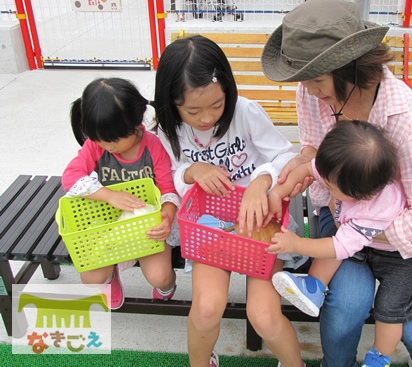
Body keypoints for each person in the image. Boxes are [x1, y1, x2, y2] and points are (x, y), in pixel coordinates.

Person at [260, 0, 412, 367]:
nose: (310, 91)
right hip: (343, 213)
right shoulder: (312, 93)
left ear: (350, 66)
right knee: (345, 308)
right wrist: (287, 180)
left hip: (401, 231)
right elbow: (313, 155)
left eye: (317, 80)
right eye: (304, 80)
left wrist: (362, 230)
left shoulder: (403, 116)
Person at [154, 35, 306, 367]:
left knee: (264, 316)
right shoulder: (168, 130)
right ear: (171, 102)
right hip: (210, 231)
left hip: (260, 224)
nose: (206, 118)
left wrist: (261, 180)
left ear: (228, 91)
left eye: (217, 105)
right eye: (192, 110)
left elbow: (284, 156)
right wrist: (192, 171)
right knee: (207, 308)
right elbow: (169, 180)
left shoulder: (246, 111)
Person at [266, 120, 412, 367]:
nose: (324, 185)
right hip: (360, 239)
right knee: (334, 252)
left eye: (331, 187)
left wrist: (296, 244)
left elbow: (338, 247)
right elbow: (308, 169)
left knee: (389, 311)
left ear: (364, 195)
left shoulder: (375, 209)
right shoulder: (343, 169)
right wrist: (279, 191)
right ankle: (313, 286)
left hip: (399, 259)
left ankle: (379, 357)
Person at [62, 77, 181, 310]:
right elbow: (70, 176)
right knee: (90, 278)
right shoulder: (96, 145)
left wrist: (166, 218)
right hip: (111, 222)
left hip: (148, 226)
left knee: (161, 276)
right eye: (100, 139)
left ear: (136, 124)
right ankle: (110, 277)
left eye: (114, 140)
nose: (108, 147)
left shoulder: (154, 146)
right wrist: (109, 195)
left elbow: (168, 190)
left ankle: (167, 288)